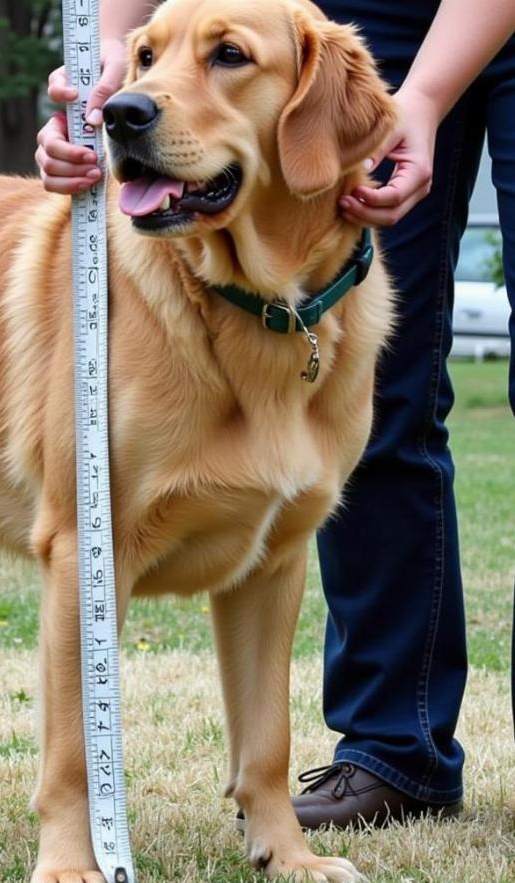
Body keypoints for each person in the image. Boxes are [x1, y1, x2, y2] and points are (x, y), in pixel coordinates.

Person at [37, 0, 515, 828]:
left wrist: (425, 97)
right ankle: (393, 754)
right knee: (387, 417)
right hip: (349, 20)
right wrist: (114, 54)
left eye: (217, 58)